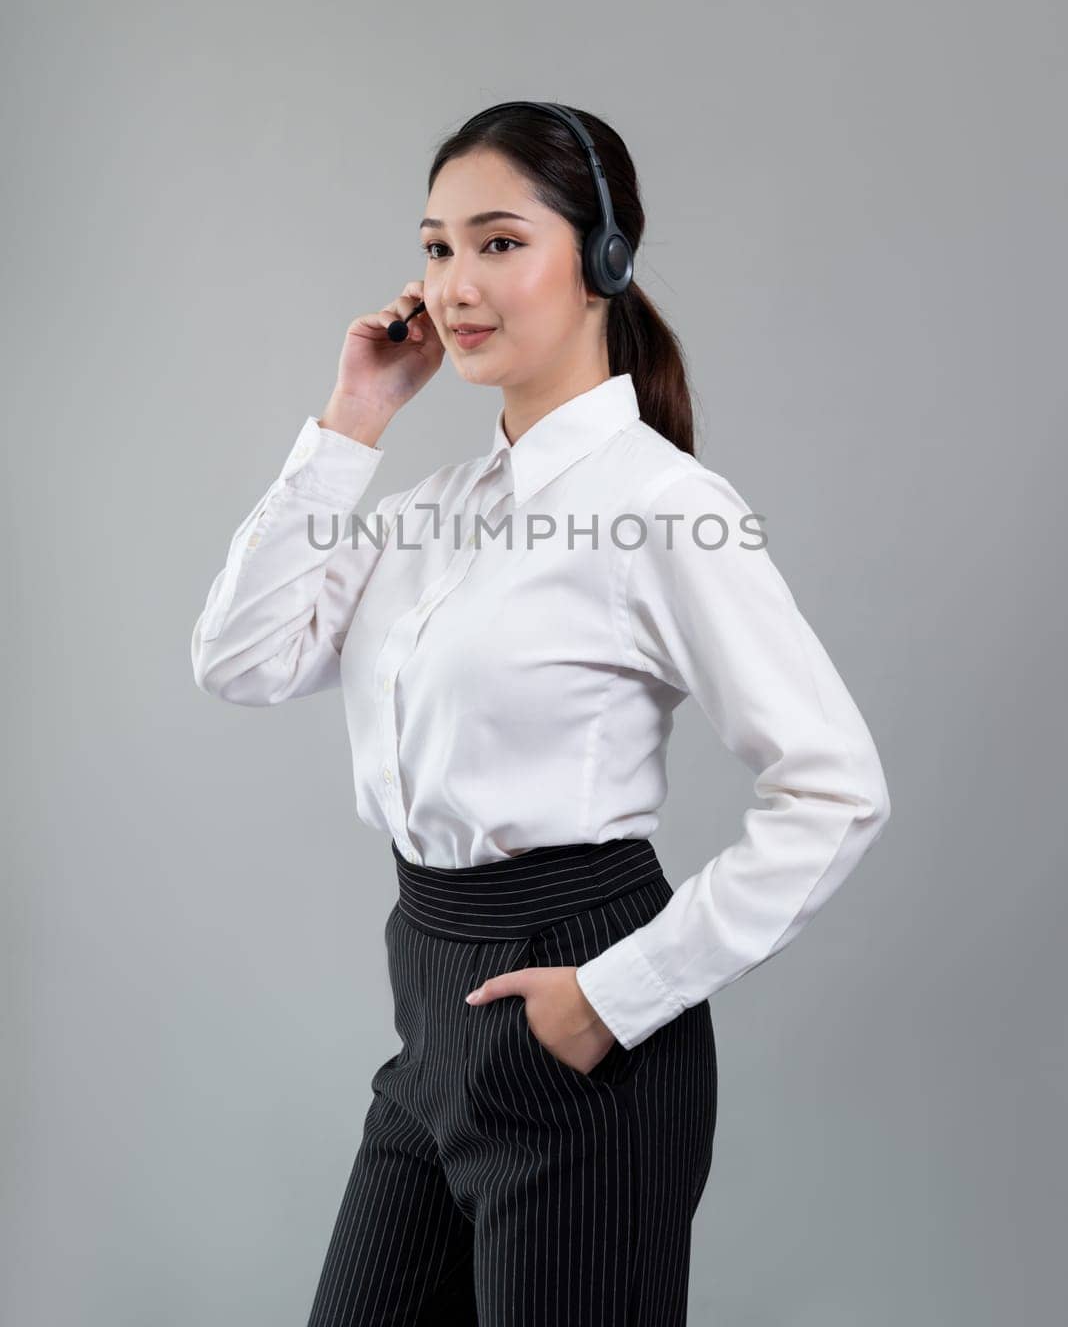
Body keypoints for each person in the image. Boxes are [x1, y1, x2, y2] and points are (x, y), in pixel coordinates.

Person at [190, 100, 891, 1325]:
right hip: (430, 1016)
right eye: (438, 246)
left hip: (581, 1023)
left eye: (500, 242)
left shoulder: (665, 506)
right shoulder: (429, 508)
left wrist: (613, 998)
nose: (458, 283)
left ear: (602, 261)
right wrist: (354, 421)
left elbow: (835, 789)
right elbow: (241, 659)